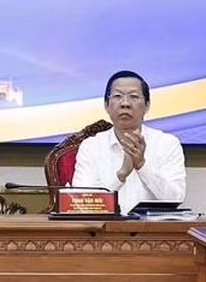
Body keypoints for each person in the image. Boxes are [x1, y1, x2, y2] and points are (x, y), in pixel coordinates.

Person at [72, 70, 186, 213]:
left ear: (147, 105)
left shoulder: (167, 144)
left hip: (150, 227)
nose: (125, 103)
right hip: (104, 226)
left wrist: (142, 166)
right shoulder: (91, 147)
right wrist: (121, 175)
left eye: (133, 96)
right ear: (106, 105)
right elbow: (81, 203)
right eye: (117, 96)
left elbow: (175, 198)